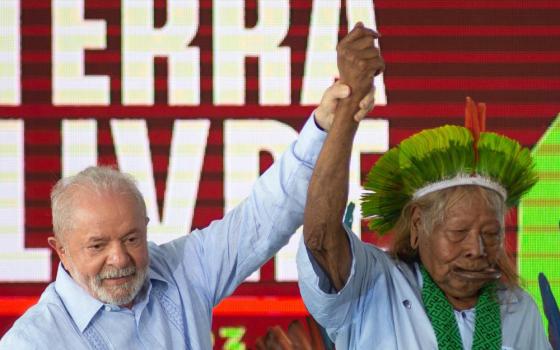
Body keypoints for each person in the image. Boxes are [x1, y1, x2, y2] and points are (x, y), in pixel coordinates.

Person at [0, 67, 379, 349]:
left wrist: (323, 127)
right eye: (97, 246)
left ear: (147, 227)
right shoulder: (33, 342)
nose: (120, 259)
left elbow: (261, 220)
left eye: (131, 238)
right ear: (61, 250)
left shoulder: (181, 270)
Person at [297, 25, 552, 350]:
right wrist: (349, 106)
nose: (478, 249)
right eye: (459, 232)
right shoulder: (377, 285)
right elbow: (320, 239)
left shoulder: (519, 309)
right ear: (417, 225)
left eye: (491, 233)